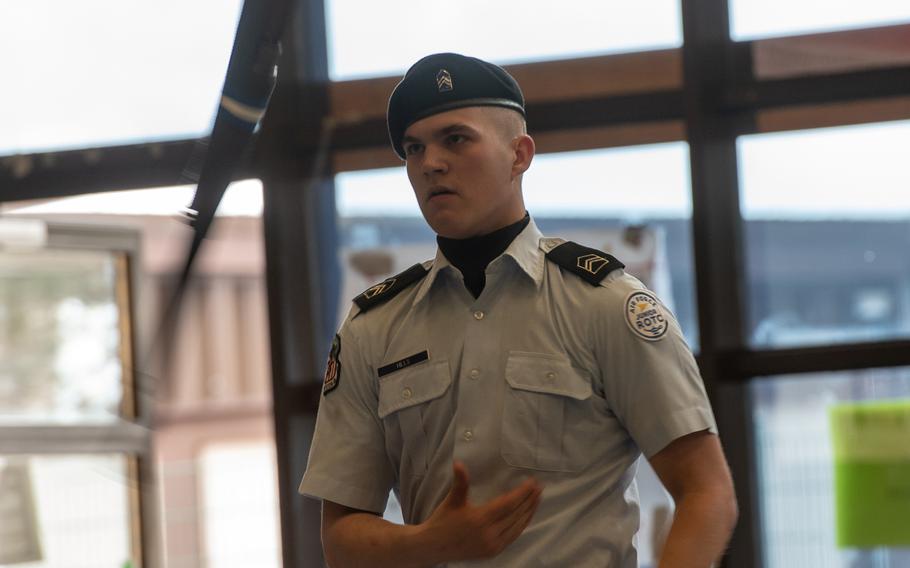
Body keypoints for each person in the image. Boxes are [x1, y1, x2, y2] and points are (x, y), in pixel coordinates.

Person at [299, 52, 738, 567]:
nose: (430, 162)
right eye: (413, 148)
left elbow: (707, 493)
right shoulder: (373, 327)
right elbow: (342, 538)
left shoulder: (604, 303)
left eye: (455, 139)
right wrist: (432, 543)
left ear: (519, 154)